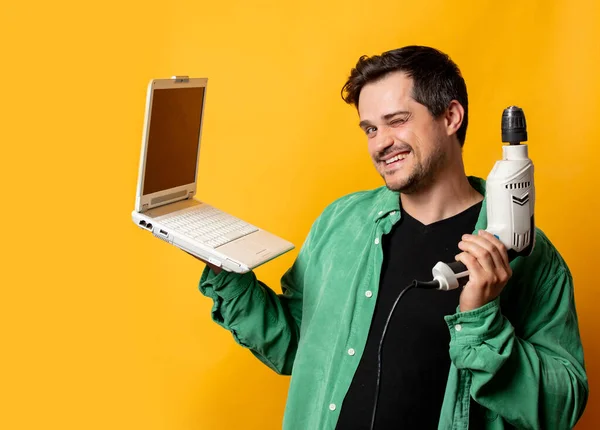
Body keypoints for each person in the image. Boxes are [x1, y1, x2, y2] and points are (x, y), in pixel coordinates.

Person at [196, 46, 588, 429]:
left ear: (451, 116)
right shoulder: (341, 223)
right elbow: (295, 347)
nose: (380, 143)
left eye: (396, 121)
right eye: (370, 128)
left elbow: (562, 408)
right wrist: (224, 268)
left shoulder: (523, 252)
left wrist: (480, 321)